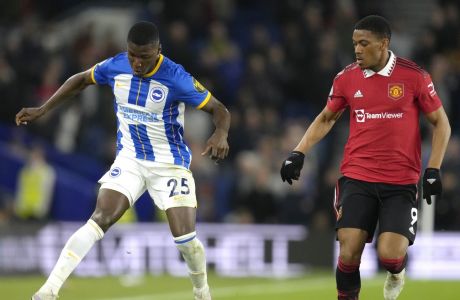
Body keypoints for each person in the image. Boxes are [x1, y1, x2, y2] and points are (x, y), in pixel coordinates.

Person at [16, 21, 230, 300]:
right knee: (99, 219)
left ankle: (202, 292)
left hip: (169, 164)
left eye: (144, 56)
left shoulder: (175, 77)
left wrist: (221, 133)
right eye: (132, 55)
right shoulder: (116, 66)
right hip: (130, 159)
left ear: (158, 50)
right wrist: (43, 109)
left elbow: (219, 109)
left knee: (185, 240)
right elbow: (81, 79)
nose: (137, 63)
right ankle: (48, 291)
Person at [280, 15, 450, 300]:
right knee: (348, 251)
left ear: (383, 44)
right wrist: (299, 152)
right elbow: (326, 118)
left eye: (363, 43)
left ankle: (397, 272)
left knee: (390, 256)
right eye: (354, 43)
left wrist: (433, 169)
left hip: (400, 182)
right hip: (358, 177)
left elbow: (441, 123)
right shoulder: (346, 78)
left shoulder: (414, 77)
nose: (357, 49)